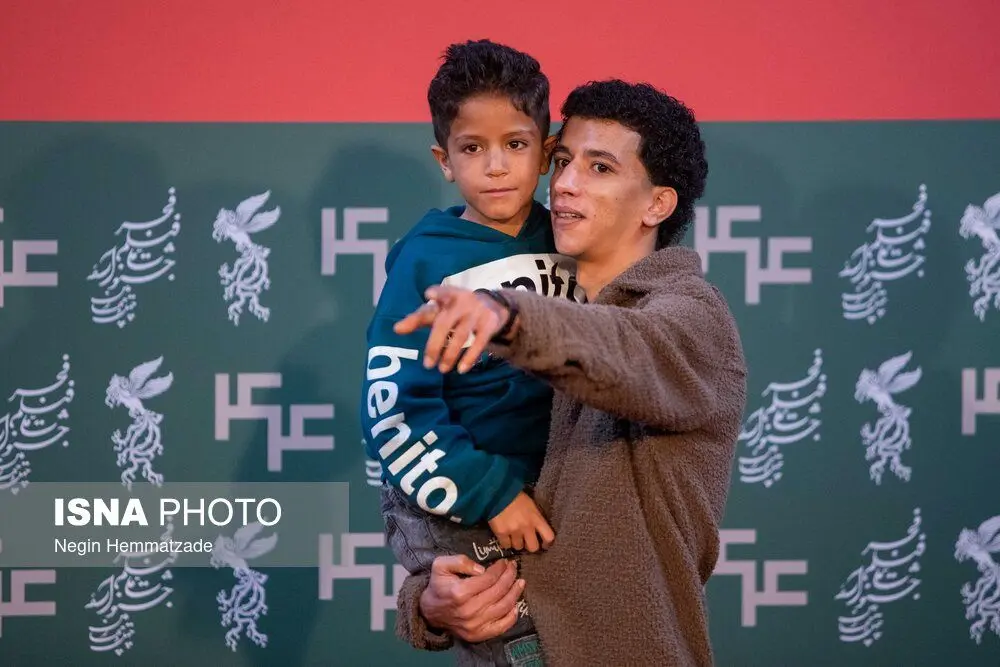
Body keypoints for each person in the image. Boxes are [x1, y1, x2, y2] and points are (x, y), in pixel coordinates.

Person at [392, 79, 748, 666]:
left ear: (657, 204)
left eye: (600, 168)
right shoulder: (546, 308)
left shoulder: (692, 317)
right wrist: (430, 604)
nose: (563, 184)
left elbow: (625, 351)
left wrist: (507, 314)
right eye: (562, 161)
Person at [359, 40, 584, 666]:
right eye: (472, 148)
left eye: (515, 144)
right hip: (466, 498)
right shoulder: (426, 258)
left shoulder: (570, 236)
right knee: (519, 649)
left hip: (551, 491)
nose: (495, 166)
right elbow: (394, 408)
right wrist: (493, 494)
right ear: (444, 160)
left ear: (547, 152)